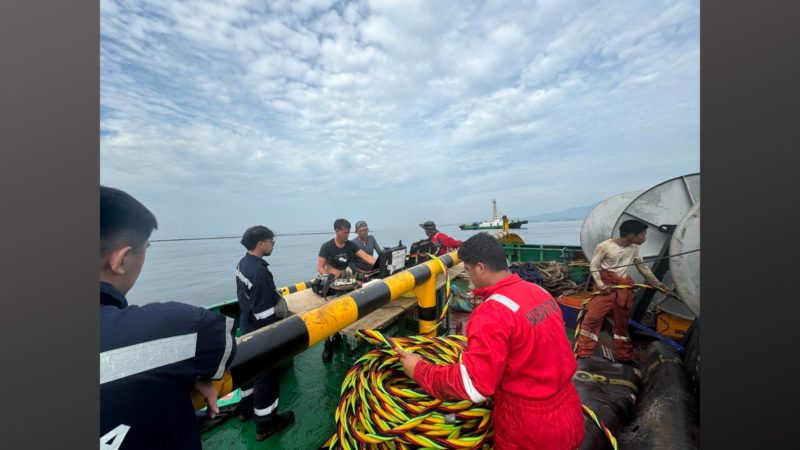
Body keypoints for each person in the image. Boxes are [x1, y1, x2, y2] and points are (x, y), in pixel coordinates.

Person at [397, 233, 584, 449]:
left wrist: (419, 369)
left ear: (480, 268)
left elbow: (474, 387)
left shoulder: (491, 313)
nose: (469, 278)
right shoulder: (540, 292)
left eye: (467, 270)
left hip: (529, 430)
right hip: (569, 411)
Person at [100, 186, 237, 450]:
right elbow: (218, 345)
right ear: (122, 259)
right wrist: (183, 369)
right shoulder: (175, 329)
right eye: (146, 248)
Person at [575, 219, 672, 362]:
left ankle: (624, 355)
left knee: (622, 324)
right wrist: (601, 285)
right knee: (592, 318)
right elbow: (594, 266)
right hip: (605, 289)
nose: (645, 238)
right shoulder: (605, 246)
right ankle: (584, 352)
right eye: (643, 235)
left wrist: (659, 286)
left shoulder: (634, 248)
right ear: (631, 235)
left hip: (623, 289)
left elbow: (643, 268)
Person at [234, 225, 295, 440]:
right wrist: (281, 330)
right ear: (261, 243)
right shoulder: (259, 272)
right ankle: (266, 423)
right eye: (272, 241)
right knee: (265, 376)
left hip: (246, 326)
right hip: (261, 332)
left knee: (248, 373)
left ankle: (245, 410)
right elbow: (265, 314)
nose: (273, 245)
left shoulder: (243, 263)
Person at [316, 218, 376, 362]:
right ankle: (327, 342)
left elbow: (367, 257)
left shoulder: (350, 245)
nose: (347, 236)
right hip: (331, 281)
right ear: (337, 231)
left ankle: (341, 337)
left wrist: (380, 263)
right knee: (332, 309)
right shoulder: (326, 246)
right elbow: (320, 267)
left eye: (349, 233)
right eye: (345, 233)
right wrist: (331, 273)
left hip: (345, 279)